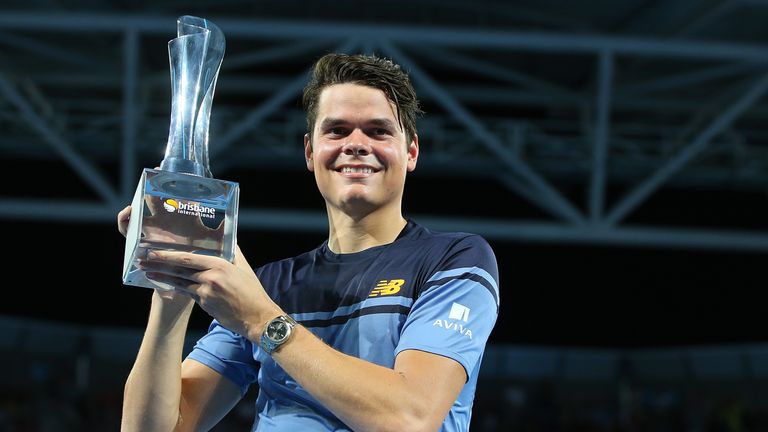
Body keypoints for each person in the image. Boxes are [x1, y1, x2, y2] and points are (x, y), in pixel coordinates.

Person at [118, 53, 500, 432]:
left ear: (411, 151)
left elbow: (409, 419)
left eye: (378, 131)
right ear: (310, 151)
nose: (356, 144)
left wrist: (263, 321)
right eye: (337, 130)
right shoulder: (271, 286)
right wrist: (174, 285)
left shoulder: (453, 259)